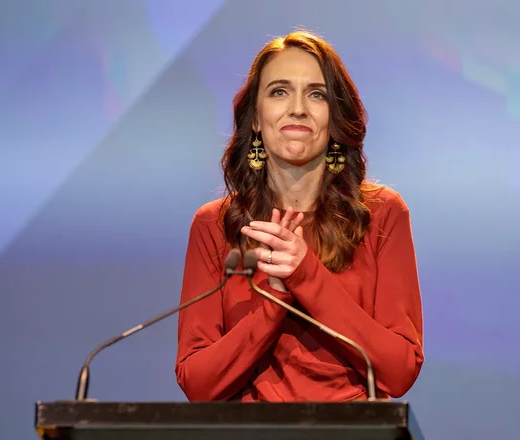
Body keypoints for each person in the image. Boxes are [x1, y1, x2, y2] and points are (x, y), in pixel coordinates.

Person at [175, 30, 424, 402]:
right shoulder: (214, 224)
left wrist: (306, 275)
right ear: (255, 119)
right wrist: (274, 300)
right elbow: (197, 383)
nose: (297, 108)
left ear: (335, 117)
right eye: (279, 91)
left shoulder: (382, 214)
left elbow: (399, 370)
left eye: (316, 94)